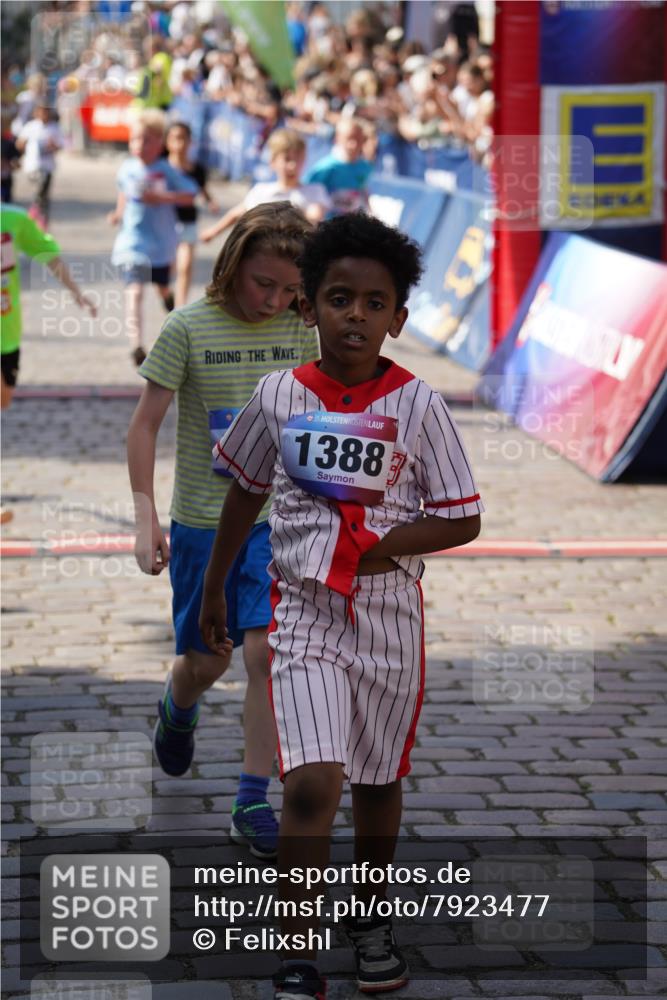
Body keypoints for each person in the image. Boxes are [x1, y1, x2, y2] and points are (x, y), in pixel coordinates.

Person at [200, 213, 483, 998]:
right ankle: (297, 948)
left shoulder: (419, 405)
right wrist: (220, 583)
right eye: (336, 298)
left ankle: (369, 915)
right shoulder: (278, 395)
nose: (354, 314)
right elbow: (245, 492)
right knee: (309, 786)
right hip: (303, 615)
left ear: (397, 317)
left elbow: (461, 513)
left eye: (372, 302)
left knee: (378, 780)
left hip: (390, 616)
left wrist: (374, 547)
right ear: (307, 307)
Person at [127, 202, 319, 861]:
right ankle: (177, 706)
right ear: (232, 266)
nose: (275, 299)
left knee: (266, 655)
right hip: (203, 526)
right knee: (207, 661)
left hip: (275, 523)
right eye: (263, 283)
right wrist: (144, 515)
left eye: (292, 289)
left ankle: (249, 799)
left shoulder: (301, 329)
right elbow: (143, 426)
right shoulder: (186, 328)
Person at [1, 202, 96, 522]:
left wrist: (76, 292)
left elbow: (47, 255)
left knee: (4, 400)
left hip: (8, 332)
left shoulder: (12, 220)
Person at [107, 109, 198, 366]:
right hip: (131, 243)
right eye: (135, 139)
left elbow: (190, 194)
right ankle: (136, 344)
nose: (139, 145)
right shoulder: (126, 168)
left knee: (161, 286)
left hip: (160, 246)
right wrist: (117, 213)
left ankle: (168, 298)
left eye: (146, 140)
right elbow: (123, 193)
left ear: (160, 142)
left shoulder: (166, 169)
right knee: (134, 291)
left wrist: (163, 198)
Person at [200, 129, 331, 244]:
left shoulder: (314, 192)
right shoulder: (261, 191)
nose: (293, 166)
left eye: (298, 159)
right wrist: (213, 231)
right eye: (287, 159)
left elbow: (315, 217)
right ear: (273, 162)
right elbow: (236, 214)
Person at [165, 120, 218, 308]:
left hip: (188, 222)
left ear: (190, 142)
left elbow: (202, 189)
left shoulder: (197, 169)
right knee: (166, 269)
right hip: (163, 225)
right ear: (167, 141)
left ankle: (178, 309)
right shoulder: (162, 168)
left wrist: (210, 202)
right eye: (174, 138)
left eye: (183, 139)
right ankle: (166, 294)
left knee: (185, 266)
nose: (178, 144)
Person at [303, 118, 373, 215]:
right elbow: (307, 194)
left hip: (352, 225)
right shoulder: (324, 168)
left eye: (358, 139)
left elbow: (363, 191)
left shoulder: (365, 167)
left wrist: (370, 212)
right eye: (349, 138)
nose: (354, 144)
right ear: (337, 139)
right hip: (327, 224)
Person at [15, 102, 64, 229]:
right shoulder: (31, 127)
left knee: (44, 193)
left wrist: (53, 146)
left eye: (46, 112)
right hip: (32, 166)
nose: (43, 115)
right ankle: (34, 212)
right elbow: (19, 144)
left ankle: (42, 219)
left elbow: (60, 145)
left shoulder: (54, 128)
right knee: (36, 189)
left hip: (47, 166)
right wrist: (23, 145)